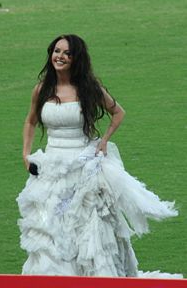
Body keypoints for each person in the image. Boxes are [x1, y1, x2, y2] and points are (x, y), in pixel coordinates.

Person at [17, 34, 182, 278]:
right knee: (51, 225)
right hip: (51, 168)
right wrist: (26, 153)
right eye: (56, 51)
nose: (59, 57)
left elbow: (118, 112)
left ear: (76, 59)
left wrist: (104, 141)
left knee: (89, 226)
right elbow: (30, 121)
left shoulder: (88, 89)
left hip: (84, 166)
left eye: (66, 53)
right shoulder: (41, 90)